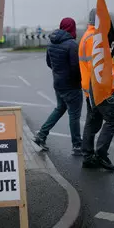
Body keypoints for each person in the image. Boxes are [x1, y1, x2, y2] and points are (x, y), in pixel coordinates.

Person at [79, 9, 114, 171]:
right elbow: (99, 68)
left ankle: (88, 156)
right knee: (113, 119)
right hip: (101, 89)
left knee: (92, 122)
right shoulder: (96, 39)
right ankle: (101, 154)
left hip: (90, 88)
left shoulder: (87, 36)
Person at [33, 18, 83, 156]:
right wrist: (80, 81)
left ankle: (41, 135)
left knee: (60, 108)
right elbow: (75, 67)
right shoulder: (72, 44)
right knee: (74, 115)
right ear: (72, 28)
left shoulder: (51, 43)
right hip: (71, 85)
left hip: (58, 83)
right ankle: (77, 145)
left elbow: (49, 63)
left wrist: (59, 71)